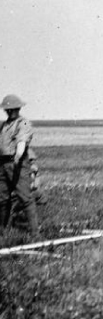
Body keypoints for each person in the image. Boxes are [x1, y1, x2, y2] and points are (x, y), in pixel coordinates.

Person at [0, 94, 38, 233]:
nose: (9, 111)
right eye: (7, 109)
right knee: (2, 198)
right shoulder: (4, 125)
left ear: (18, 108)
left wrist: (17, 157)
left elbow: (21, 143)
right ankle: (3, 230)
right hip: (3, 165)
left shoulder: (24, 123)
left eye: (11, 109)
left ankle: (35, 232)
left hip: (18, 164)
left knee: (25, 197)